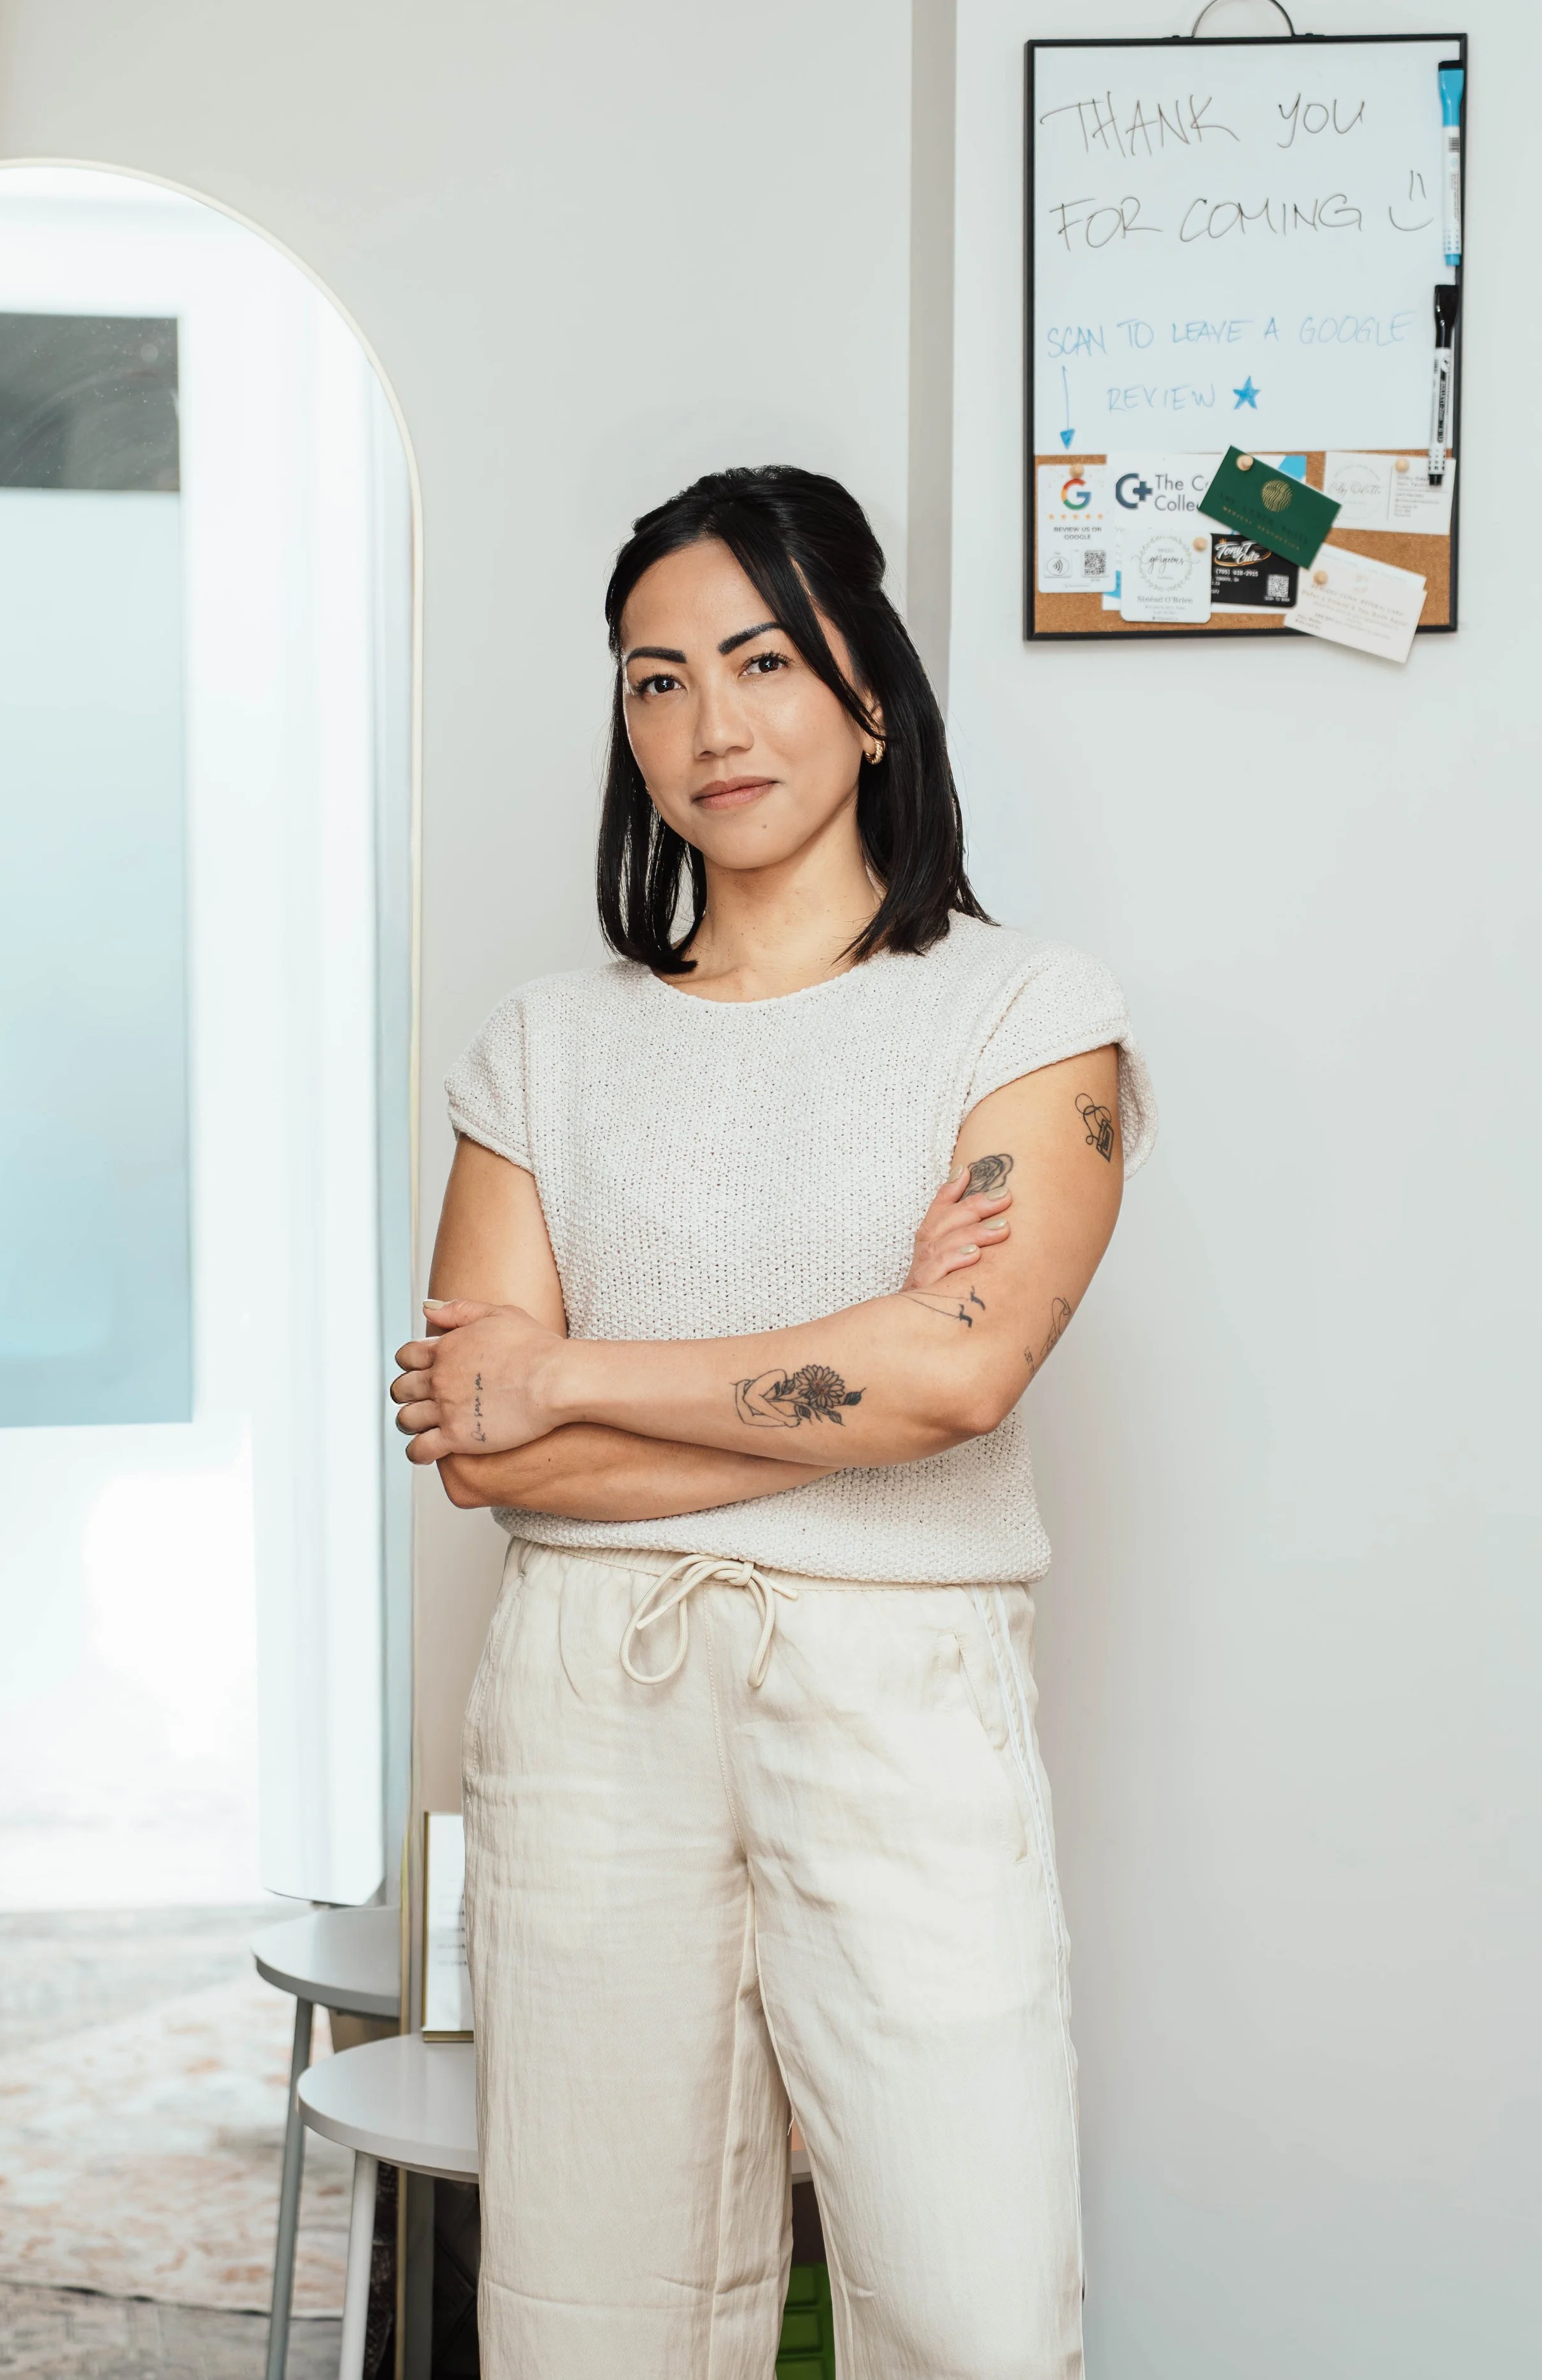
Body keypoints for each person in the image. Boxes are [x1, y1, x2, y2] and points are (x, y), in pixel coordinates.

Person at [390, 464, 1154, 2380]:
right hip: (589, 1690)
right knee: (594, 2306)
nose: (711, 725)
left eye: (763, 661)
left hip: (896, 1682)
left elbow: (958, 1378)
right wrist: (855, 1373)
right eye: (656, 682)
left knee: (970, 2303)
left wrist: (576, 1370)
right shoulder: (543, 1047)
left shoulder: (1022, 1015)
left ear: (869, 688)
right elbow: (481, 1451)